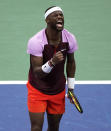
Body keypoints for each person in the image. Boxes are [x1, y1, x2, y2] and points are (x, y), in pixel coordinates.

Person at [27, 6, 78, 131]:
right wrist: (52, 62)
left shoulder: (69, 38)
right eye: (55, 15)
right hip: (37, 90)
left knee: (54, 127)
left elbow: (71, 62)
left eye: (61, 15)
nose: (60, 17)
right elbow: (38, 72)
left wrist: (70, 88)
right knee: (36, 128)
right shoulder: (36, 41)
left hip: (58, 90)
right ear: (47, 20)